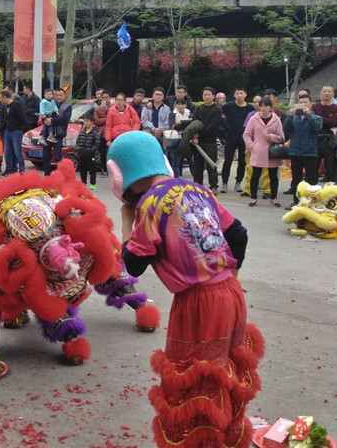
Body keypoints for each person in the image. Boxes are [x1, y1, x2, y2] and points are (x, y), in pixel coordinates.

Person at [108, 132, 262, 448]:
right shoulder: (197, 188)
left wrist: (126, 220)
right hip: (230, 292)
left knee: (195, 382)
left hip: (199, 302)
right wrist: (229, 274)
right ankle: (226, 438)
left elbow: (133, 265)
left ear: (122, 175)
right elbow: (239, 234)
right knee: (224, 372)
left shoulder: (150, 203)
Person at [243, 97, 284, 208]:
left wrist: (271, 137)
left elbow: (281, 136)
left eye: (266, 106)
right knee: (255, 175)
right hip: (258, 151)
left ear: (270, 107)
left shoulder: (276, 119)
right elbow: (246, 134)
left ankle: (274, 198)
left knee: (273, 176)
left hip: (272, 152)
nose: (264, 108)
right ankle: (253, 198)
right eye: (261, 106)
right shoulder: (254, 119)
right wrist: (252, 146)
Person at [283, 94, 322, 207]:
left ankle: (311, 202)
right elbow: (285, 129)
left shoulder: (316, 117)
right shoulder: (294, 117)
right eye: (301, 103)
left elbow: (317, 128)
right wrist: (290, 116)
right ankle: (296, 201)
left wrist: (308, 115)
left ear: (310, 104)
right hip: (295, 152)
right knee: (296, 179)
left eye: (305, 102)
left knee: (311, 179)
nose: (303, 105)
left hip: (310, 152)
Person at [220, 88, 254, 194]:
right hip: (230, 137)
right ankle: (224, 182)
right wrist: (225, 130)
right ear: (234, 95)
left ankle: (238, 182)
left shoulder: (250, 108)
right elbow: (220, 117)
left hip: (244, 138)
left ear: (245, 95)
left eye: (241, 93)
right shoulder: (228, 106)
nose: (239, 95)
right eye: (237, 93)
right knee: (228, 160)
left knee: (242, 161)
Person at [191, 87, 222, 193]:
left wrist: (200, 133)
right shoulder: (199, 109)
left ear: (213, 96)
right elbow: (194, 123)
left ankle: (214, 185)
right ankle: (197, 185)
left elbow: (214, 125)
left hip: (210, 140)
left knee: (211, 164)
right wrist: (195, 136)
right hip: (198, 141)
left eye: (209, 95)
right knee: (198, 164)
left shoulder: (217, 109)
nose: (207, 97)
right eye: (205, 95)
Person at [312, 85, 337, 183]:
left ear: (333, 94)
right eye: (324, 91)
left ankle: (331, 188)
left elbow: (335, 122)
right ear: (321, 93)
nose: (326, 93)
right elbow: (312, 121)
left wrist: (319, 118)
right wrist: (326, 120)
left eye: (329, 92)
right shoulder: (314, 107)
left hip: (329, 141)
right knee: (313, 168)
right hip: (315, 140)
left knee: (331, 168)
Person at [42, 88, 72, 176]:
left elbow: (65, 119)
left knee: (58, 157)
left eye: (61, 95)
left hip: (59, 134)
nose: (59, 97)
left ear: (65, 96)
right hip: (47, 134)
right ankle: (47, 175)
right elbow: (43, 114)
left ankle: (60, 175)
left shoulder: (67, 106)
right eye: (57, 95)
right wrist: (45, 119)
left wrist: (52, 121)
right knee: (45, 156)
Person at [0, 89, 26, 175]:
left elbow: (22, 117)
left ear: (4, 97)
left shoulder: (16, 104)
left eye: (1, 98)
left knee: (17, 151)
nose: (0, 100)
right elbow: (5, 120)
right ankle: (9, 170)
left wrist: (26, 129)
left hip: (16, 131)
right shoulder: (5, 107)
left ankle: (22, 170)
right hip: (8, 131)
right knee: (7, 152)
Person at [75, 112, 101, 190]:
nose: (85, 123)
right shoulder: (82, 131)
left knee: (92, 170)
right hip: (82, 154)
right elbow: (78, 141)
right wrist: (78, 149)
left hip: (90, 155)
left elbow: (97, 143)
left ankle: (92, 184)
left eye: (87, 121)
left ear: (92, 122)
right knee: (82, 170)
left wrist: (91, 151)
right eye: (84, 121)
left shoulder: (95, 132)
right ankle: (83, 183)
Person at [171, 97, 193, 177]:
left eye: (182, 104)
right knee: (177, 161)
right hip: (176, 138)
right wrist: (187, 123)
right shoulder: (172, 113)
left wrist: (180, 122)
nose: (180, 106)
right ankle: (177, 178)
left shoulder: (189, 113)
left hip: (188, 138)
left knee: (191, 160)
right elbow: (173, 126)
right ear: (176, 105)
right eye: (178, 104)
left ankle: (196, 179)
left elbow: (192, 123)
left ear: (185, 105)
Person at [93, 91, 111, 175]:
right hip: (101, 133)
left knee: (109, 151)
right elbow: (96, 121)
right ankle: (104, 168)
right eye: (103, 98)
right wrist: (107, 119)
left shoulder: (113, 108)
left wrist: (107, 111)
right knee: (102, 152)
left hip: (110, 132)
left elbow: (113, 119)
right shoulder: (97, 109)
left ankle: (110, 169)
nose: (105, 99)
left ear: (109, 98)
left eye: (106, 98)